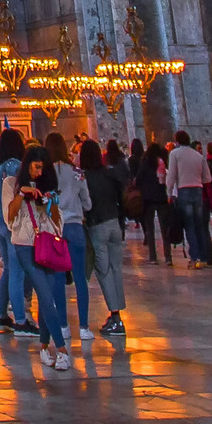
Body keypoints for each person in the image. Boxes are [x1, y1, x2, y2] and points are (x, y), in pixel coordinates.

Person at [10, 149, 73, 370]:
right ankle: (62, 349)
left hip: (46, 244)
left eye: (42, 168)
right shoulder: (11, 183)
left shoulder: (48, 188)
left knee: (48, 298)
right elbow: (10, 216)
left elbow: (57, 221)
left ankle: (45, 347)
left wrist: (50, 201)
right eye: (35, 167)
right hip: (25, 245)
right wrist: (22, 193)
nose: (38, 172)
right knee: (45, 295)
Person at [44, 132, 94, 340]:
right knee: (80, 278)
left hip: (55, 227)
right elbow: (88, 203)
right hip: (75, 226)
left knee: (57, 278)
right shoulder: (76, 172)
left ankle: (63, 326)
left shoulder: (46, 173)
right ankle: (84, 328)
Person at [0, 129, 33, 331]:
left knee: (8, 269)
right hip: (12, 222)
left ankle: (1, 315)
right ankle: (20, 320)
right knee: (17, 271)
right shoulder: (14, 166)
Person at [82, 138, 128, 335]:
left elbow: (86, 204)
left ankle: (116, 317)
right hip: (114, 223)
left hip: (98, 225)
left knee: (104, 271)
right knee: (116, 269)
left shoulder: (85, 178)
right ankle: (118, 313)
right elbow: (121, 199)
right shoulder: (110, 174)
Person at [166, 131, 212, 268]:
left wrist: (169, 193)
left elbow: (171, 176)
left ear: (177, 141)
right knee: (200, 225)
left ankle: (195, 258)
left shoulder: (175, 154)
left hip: (184, 190)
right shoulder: (198, 156)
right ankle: (204, 258)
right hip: (198, 191)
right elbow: (208, 178)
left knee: (189, 225)